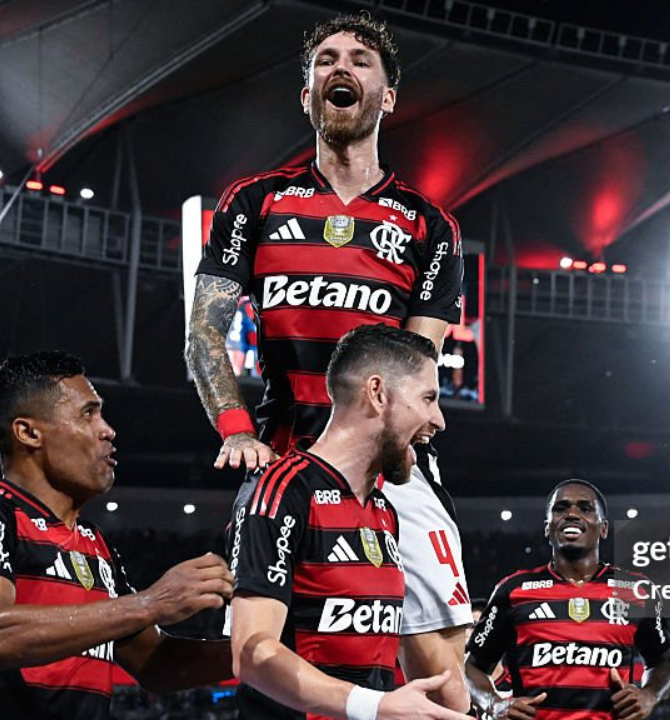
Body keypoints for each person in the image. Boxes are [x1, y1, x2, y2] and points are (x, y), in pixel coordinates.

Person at [184, 11, 471, 710]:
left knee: (442, 677)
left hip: (396, 476)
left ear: (389, 95)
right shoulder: (252, 203)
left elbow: (417, 367)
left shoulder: (430, 227)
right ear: (307, 94)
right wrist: (235, 428)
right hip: (286, 462)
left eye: (361, 59)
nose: (340, 68)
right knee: (278, 663)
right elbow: (203, 335)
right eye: (325, 61)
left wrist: (393, 458)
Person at [0, 351, 234, 719]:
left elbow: (156, 663)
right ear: (28, 433)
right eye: (88, 413)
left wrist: (262, 650)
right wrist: (150, 602)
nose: (107, 429)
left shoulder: (95, 543)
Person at [228, 324, 467, 720]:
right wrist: (375, 706)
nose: (438, 419)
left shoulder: (384, 511)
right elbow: (252, 652)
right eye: (427, 398)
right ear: (377, 394)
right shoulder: (283, 492)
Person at [465, 480, 670, 720]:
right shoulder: (513, 590)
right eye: (561, 508)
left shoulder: (638, 591)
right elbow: (471, 666)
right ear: (548, 527)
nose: (572, 514)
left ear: (604, 528)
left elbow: (663, 662)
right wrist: (493, 704)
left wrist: (649, 695)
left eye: (585, 509)